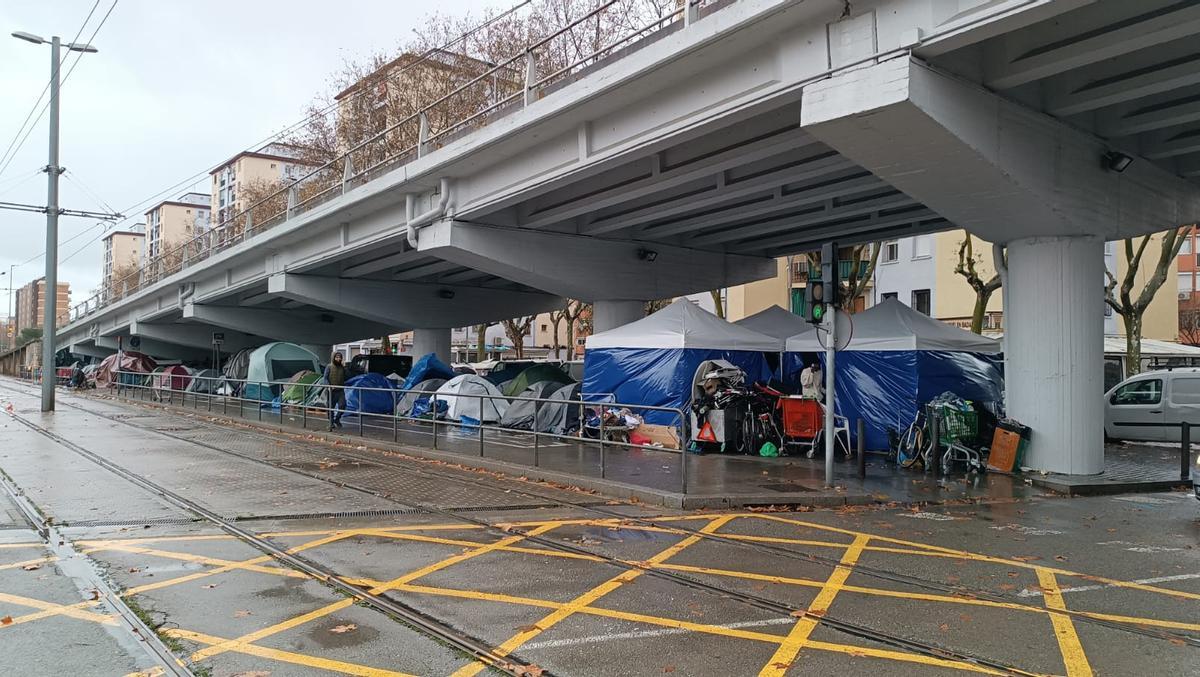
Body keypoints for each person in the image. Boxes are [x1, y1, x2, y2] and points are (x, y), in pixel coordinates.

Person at [324, 351, 347, 430]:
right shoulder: (329, 366)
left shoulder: (342, 367)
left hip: (340, 390)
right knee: (330, 407)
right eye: (337, 357)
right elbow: (325, 378)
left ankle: (337, 419)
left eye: (340, 357)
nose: (338, 359)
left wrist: (345, 368)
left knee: (342, 405)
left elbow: (346, 377)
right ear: (333, 358)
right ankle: (331, 422)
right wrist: (329, 386)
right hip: (331, 391)